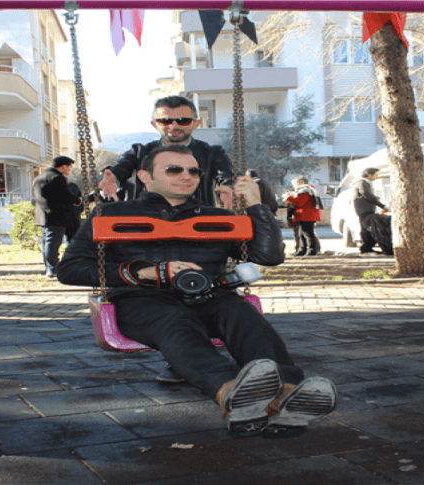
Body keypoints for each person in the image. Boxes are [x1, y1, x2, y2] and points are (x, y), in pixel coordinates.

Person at [57, 145, 336, 434]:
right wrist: (142, 272)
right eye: (173, 169)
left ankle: (287, 393)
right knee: (175, 320)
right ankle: (230, 390)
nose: (186, 176)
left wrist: (256, 206)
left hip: (209, 295)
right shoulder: (110, 214)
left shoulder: (217, 217)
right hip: (141, 299)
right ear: (144, 176)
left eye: (193, 171)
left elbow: (269, 257)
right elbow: (70, 269)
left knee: (242, 314)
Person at [98, 96, 234, 207]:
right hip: (148, 223)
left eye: (183, 121)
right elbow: (121, 168)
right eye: (165, 121)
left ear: (196, 124)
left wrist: (229, 188)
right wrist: (113, 180)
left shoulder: (212, 153)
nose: (173, 126)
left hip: (197, 223)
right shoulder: (140, 152)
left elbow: (226, 176)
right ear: (154, 124)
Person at [32, 156, 82, 277]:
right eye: (69, 167)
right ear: (63, 166)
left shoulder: (39, 177)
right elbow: (65, 195)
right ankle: (52, 269)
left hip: (43, 215)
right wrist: (77, 201)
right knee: (53, 244)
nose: (69, 170)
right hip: (57, 215)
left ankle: (49, 267)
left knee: (47, 242)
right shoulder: (57, 178)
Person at [351, 167, 393, 256]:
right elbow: (366, 195)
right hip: (365, 210)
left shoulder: (361, 182)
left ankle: (368, 248)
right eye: (376, 175)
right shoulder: (362, 182)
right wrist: (382, 205)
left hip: (364, 209)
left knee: (369, 229)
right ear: (370, 175)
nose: (377, 177)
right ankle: (366, 249)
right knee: (367, 230)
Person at [282, 177, 322, 256]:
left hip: (306, 215)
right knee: (301, 234)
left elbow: (300, 202)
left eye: (295, 183)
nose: (294, 185)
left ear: (302, 182)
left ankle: (311, 250)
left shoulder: (305, 191)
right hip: (304, 215)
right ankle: (302, 250)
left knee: (308, 234)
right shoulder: (308, 190)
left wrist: (289, 197)